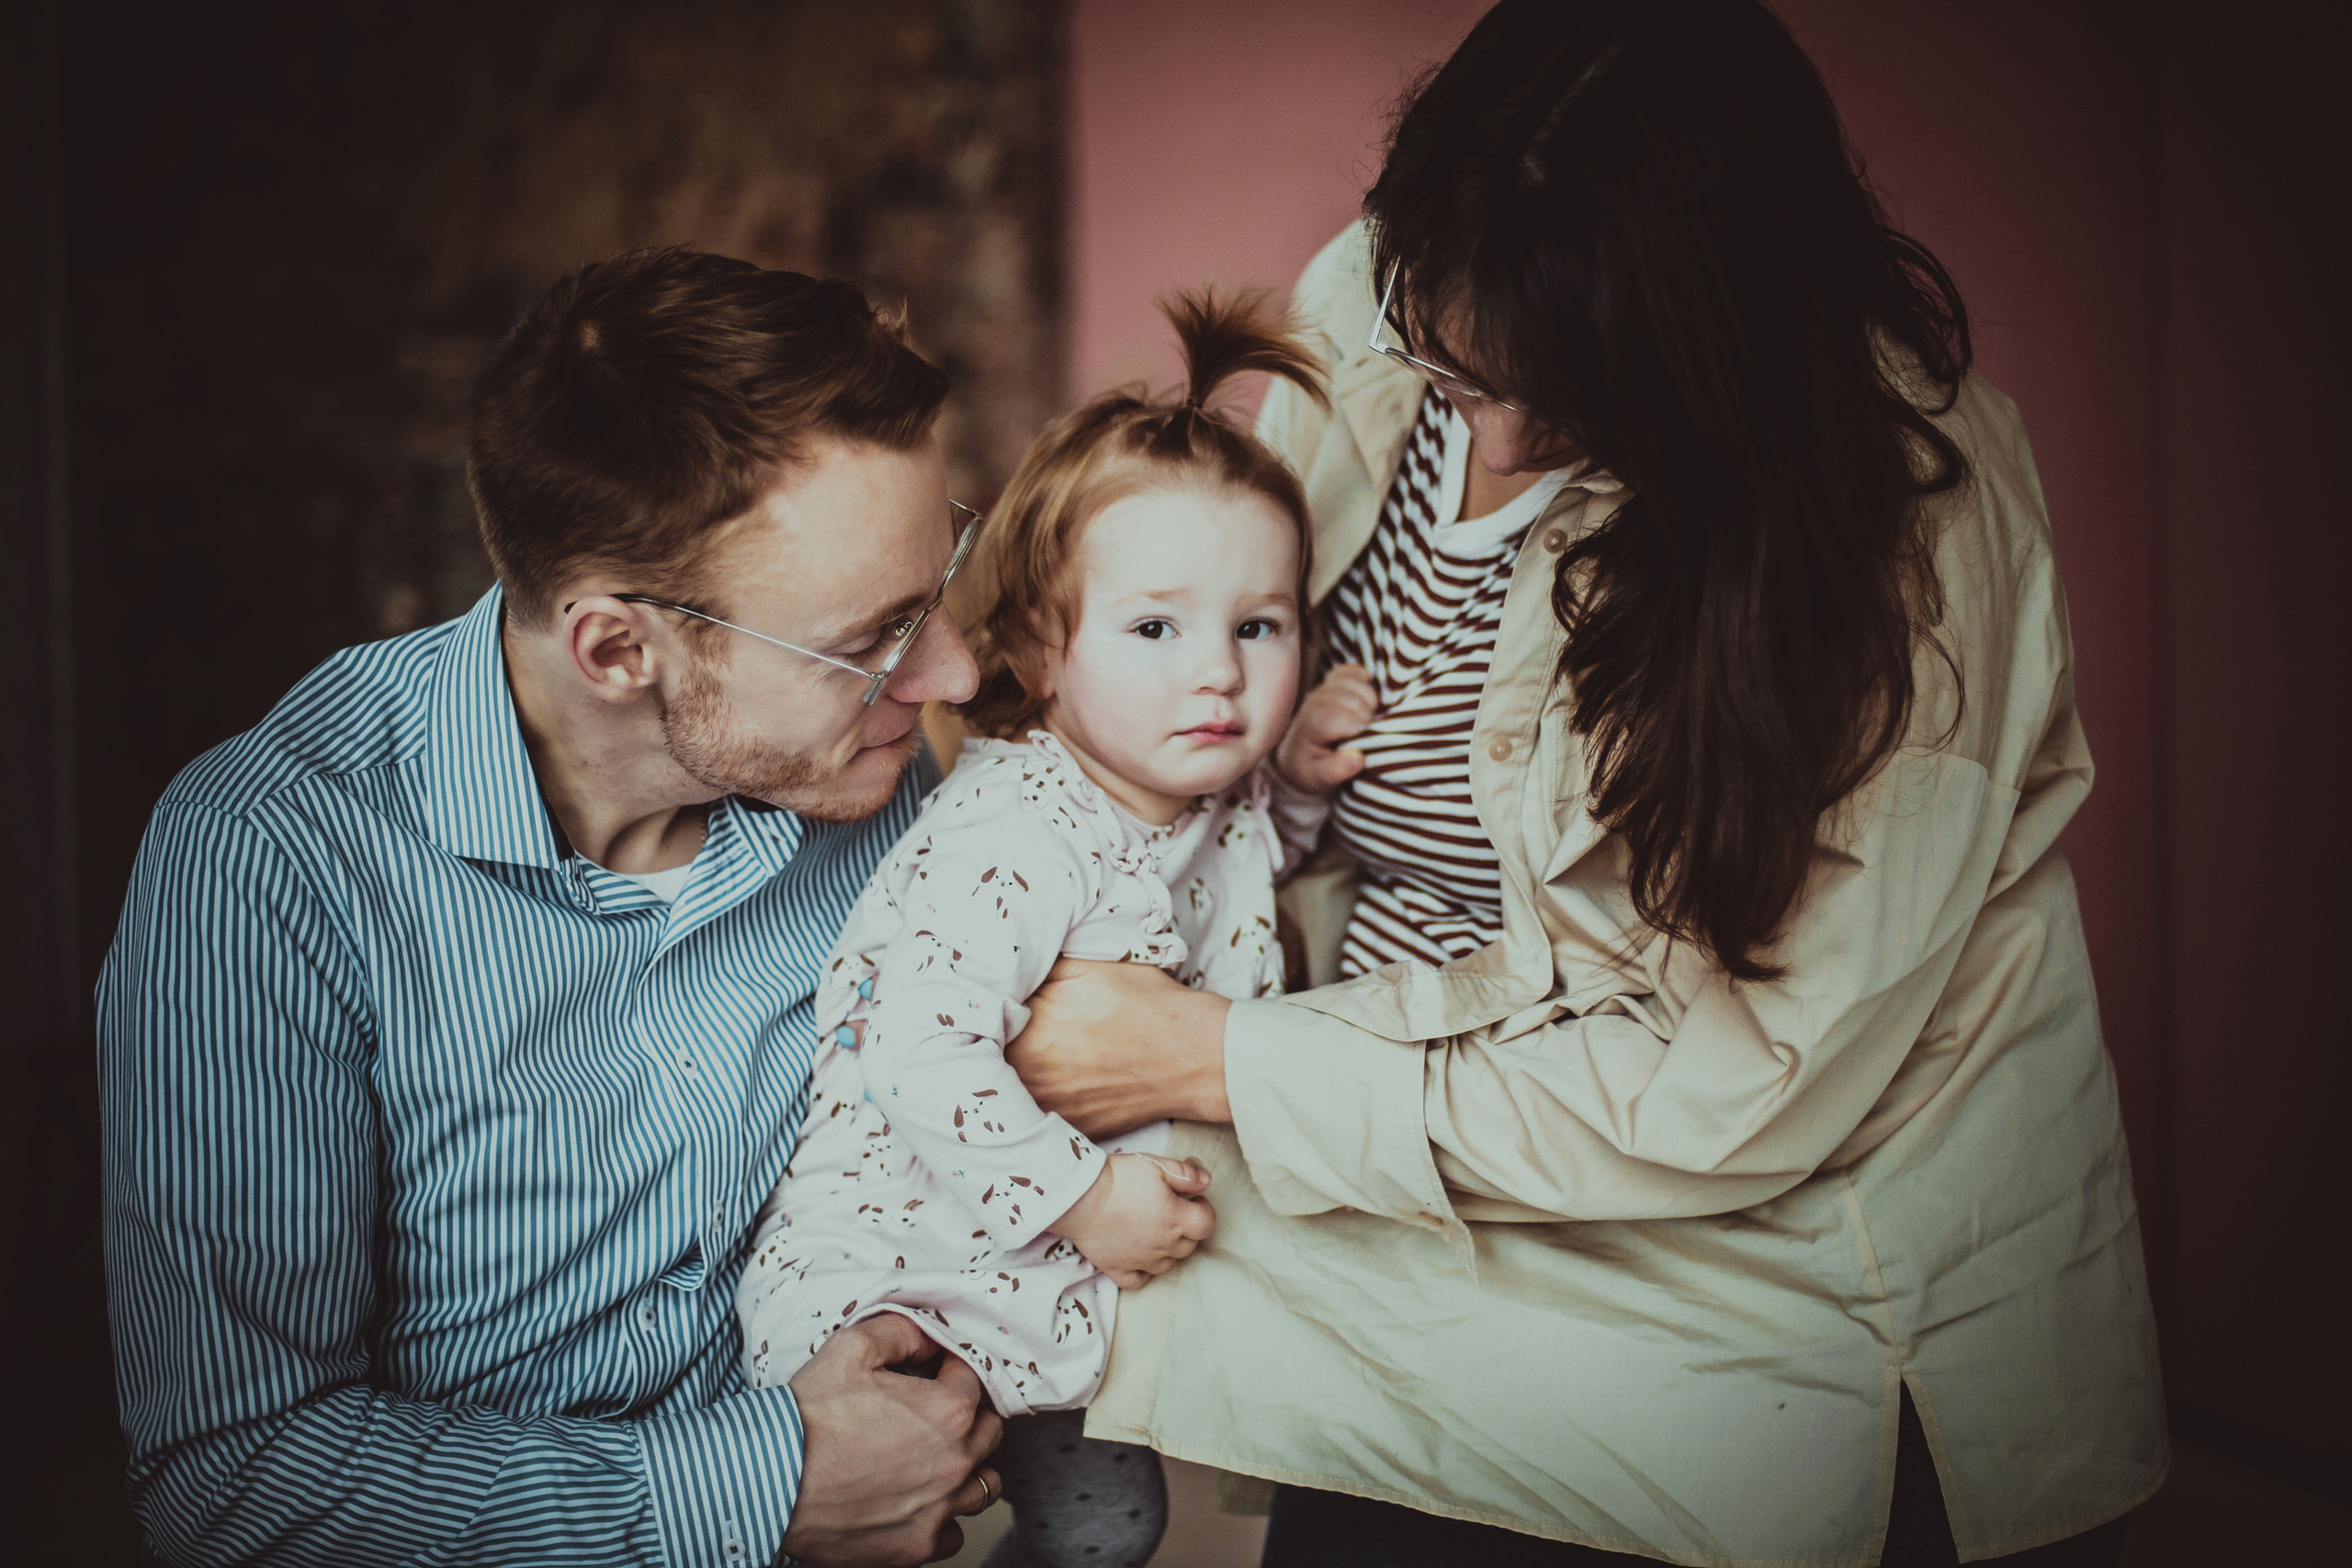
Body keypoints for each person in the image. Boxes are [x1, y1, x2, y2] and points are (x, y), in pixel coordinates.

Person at [1005, 3, 2168, 1564]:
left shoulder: (1903, 531)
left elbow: (1731, 1087)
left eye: (1561, 396)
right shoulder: (1382, 292)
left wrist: (1225, 1064)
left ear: (1702, 359)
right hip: (1420, 1204)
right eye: (1449, 367)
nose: (1488, 434)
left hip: (1772, 1288)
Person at [96, 247, 1004, 1568]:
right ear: (618, 650)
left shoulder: (859, 765)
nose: (952, 672)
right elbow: (228, 1479)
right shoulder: (267, 865)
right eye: (871, 638)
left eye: (939, 591)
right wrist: (770, 1486)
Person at [735, 292, 1331, 1568]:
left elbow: (1240, 866)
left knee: (1113, 1529)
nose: (1219, 672)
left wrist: (1303, 779)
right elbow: (917, 1052)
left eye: (1260, 626)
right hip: (895, 1278)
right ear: (1040, 652)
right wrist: (1087, 1198)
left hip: (1046, 1283)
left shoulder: (1205, 797)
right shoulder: (1013, 833)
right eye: (1156, 627)